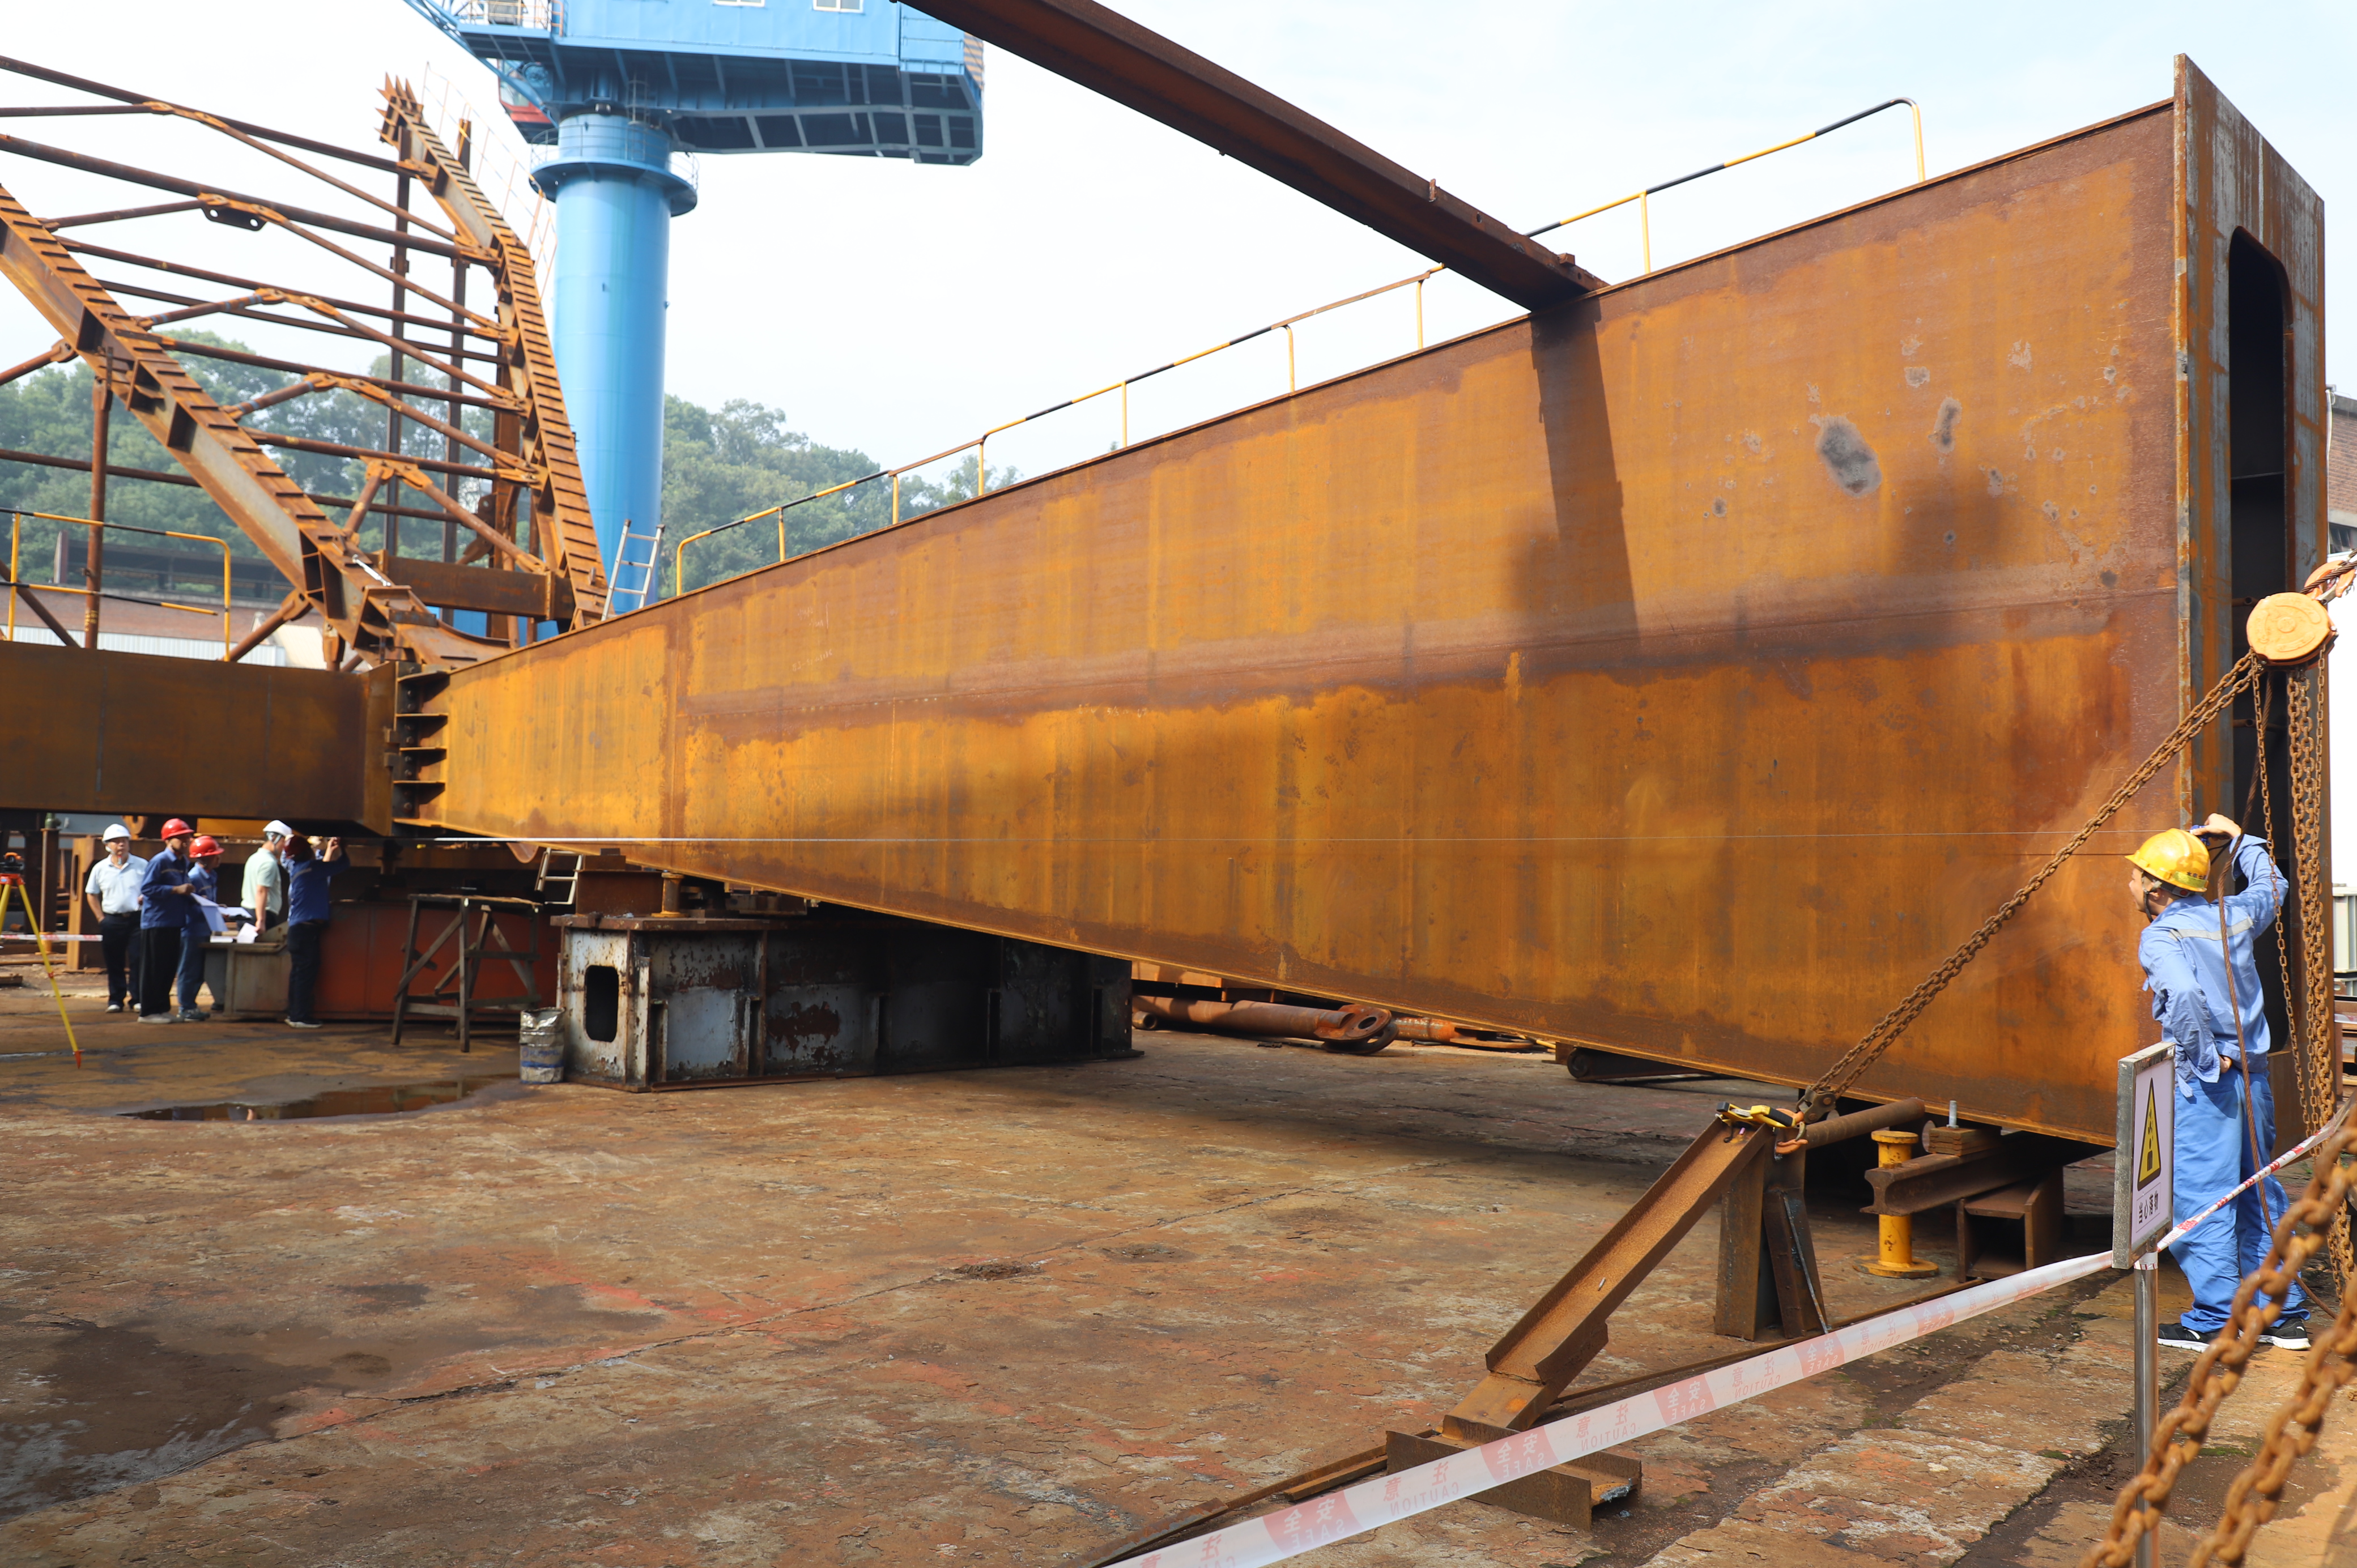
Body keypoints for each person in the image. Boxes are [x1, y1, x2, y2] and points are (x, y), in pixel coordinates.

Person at [2129, 812, 2309, 1353]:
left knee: (2203, 1199)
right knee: (2259, 1193)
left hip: (2210, 1087)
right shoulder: (2232, 917)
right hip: (2254, 1080)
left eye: (2137, 875)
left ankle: (2215, 1320)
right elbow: (2272, 886)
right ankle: (2281, 1316)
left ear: (2156, 889)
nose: (2131, 882)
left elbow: (2183, 996)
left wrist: (2207, 1061)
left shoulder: (2160, 937)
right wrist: (2239, 837)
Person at [281, 833, 346, 1029]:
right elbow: (344, 864)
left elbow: (321, 867)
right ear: (307, 852)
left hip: (298, 931)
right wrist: (344, 847)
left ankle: (294, 1013)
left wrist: (328, 850)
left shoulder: (295, 866)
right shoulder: (312, 868)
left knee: (298, 974)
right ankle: (300, 1016)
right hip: (306, 931)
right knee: (305, 974)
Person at [135, 819, 198, 1023]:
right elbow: (147, 889)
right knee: (154, 969)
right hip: (157, 922)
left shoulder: (183, 863)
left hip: (174, 922)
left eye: (188, 837)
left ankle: (161, 1009)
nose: (187, 841)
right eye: (181, 838)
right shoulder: (160, 861)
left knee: (167, 969)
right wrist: (175, 890)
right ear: (168, 840)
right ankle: (148, 1012)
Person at [83, 824, 147, 1013]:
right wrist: (101, 919)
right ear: (107, 845)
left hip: (137, 920)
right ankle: (116, 999)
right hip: (112, 921)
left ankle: (137, 999)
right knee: (114, 961)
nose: (121, 845)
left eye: (124, 841)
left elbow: (152, 888)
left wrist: (146, 898)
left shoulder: (143, 865)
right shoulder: (100, 868)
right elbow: (91, 894)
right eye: (117, 842)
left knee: (138, 960)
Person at [182, 834, 229, 1021]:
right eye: (216, 855)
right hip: (192, 931)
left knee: (199, 971)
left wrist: (217, 908)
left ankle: (191, 1006)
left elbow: (207, 902)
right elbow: (189, 907)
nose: (219, 858)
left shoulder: (211, 875)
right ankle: (186, 1008)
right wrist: (210, 909)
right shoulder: (194, 878)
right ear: (205, 858)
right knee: (190, 970)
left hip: (203, 930)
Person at [243, 820, 290, 931]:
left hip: (247, 912)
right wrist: (261, 921)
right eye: (284, 842)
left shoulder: (253, 858)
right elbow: (261, 891)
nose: (285, 847)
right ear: (273, 838)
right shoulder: (269, 863)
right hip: (262, 915)